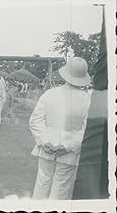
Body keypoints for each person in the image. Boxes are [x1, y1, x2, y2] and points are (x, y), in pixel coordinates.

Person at [29, 57, 91, 200]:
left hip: (47, 147)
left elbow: (35, 121)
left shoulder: (50, 94)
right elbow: (87, 130)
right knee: (61, 188)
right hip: (70, 151)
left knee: (42, 183)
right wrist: (67, 146)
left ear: (66, 74)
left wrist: (44, 141)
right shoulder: (88, 100)